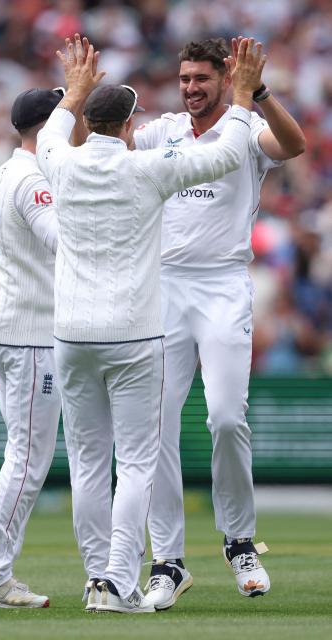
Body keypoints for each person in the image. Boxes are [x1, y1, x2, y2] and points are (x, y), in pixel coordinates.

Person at [36, 34, 266, 613]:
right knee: (138, 459)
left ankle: (99, 580)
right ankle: (125, 576)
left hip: (71, 335)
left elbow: (47, 133)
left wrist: (77, 92)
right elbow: (228, 154)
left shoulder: (57, 161)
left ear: (85, 121)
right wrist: (243, 96)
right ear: (132, 121)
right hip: (134, 331)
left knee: (92, 465)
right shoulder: (147, 170)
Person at [133, 37, 306, 608]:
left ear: (221, 78)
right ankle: (167, 560)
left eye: (200, 79)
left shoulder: (244, 128)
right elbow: (113, 147)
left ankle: (239, 543)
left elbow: (294, 143)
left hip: (224, 286)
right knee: (153, 425)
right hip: (165, 288)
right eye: (184, 78)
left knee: (227, 418)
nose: (190, 88)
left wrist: (257, 94)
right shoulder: (164, 130)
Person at [0, 86, 64, 608]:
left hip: (9, 326)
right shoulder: (33, 179)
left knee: (23, 457)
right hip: (29, 335)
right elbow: (64, 243)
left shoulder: (9, 169)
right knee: (26, 461)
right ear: (46, 128)